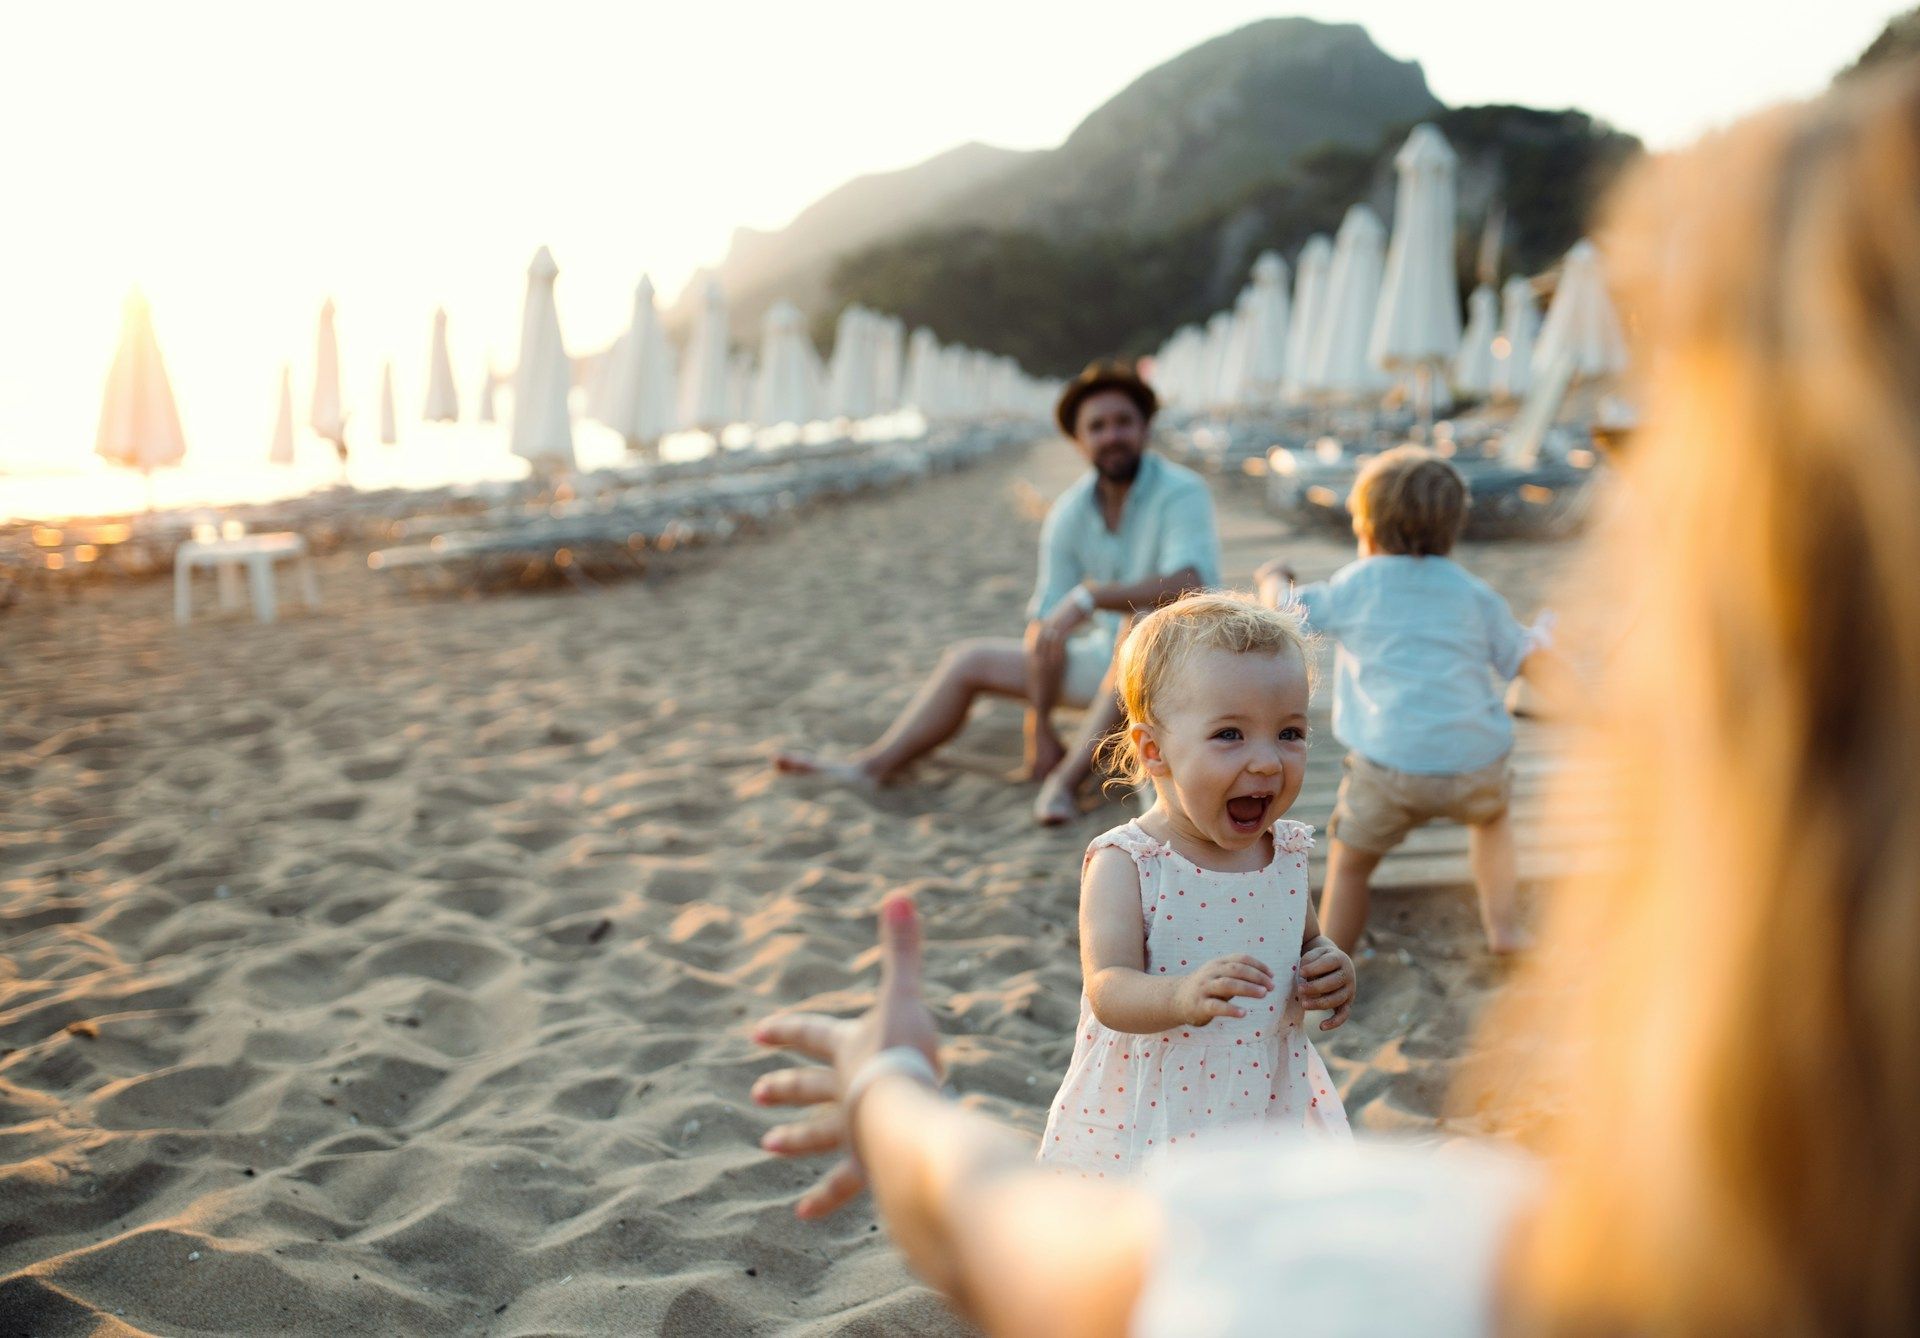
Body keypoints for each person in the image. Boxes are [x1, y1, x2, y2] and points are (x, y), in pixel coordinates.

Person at [747, 67, 1920, 1336]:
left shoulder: (1439, 1261)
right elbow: (1121, 982)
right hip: (1149, 974)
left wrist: (895, 1084)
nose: (1272, 762)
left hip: (1227, 1075)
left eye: (1289, 733)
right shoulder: (1143, 856)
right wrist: (1309, 967)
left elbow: (988, 1226)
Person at [774, 361, 1221, 824]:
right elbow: (1044, 625)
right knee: (968, 660)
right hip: (1108, 675)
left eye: (1123, 422)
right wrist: (1041, 722)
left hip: (1183, 674)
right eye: (1098, 426)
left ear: (1145, 428)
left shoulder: (1181, 491)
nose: (1112, 436)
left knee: (1139, 627)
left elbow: (1190, 583)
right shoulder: (1069, 513)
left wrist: (1089, 596)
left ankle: (1064, 782)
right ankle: (871, 767)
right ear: (1078, 440)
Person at [1038, 593, 1353, 1175]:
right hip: (1154, 1108)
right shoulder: (1129, 862)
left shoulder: (1284, 852)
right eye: (1230, 734)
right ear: (1154, 751)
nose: (1267, 762)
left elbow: (1306, 941)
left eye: (1289, 733)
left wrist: (1330, 966)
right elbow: (1107, 988)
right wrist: (1180, 996)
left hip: (1262, 1097)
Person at [1255, 446, 1563, 955]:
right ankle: (1505, 930)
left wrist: (1273, 577)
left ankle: (1333, 954)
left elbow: (1284, 613)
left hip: (1387, 768)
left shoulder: (1357, 584)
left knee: (1352, 861)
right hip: (1474, 761)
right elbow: (1521, 657)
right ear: (1451, 529)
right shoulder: (1474, 593)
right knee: (1492, 823)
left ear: (1368, 530)